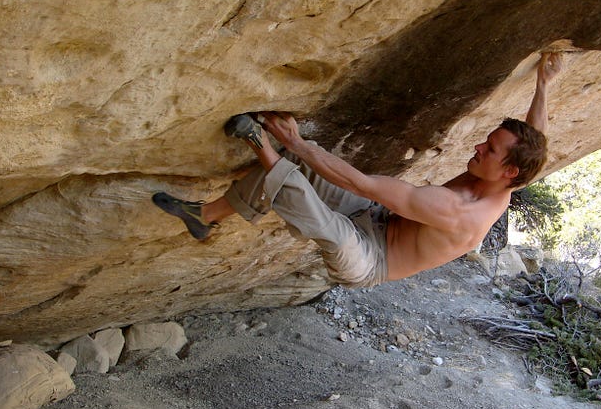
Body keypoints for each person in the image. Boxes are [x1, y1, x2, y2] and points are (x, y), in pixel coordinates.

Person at [153, 52, 561, 288]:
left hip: (368, 259)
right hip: (375, 219)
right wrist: (544, 84)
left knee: (318, 210)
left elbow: (358, 182)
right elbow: (533, 139)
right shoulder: (513, 171)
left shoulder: (455, 209)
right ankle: (203, 217)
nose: (477, 147)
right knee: (299, 166)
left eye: (488, 149)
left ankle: (257, 142)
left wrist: (296, 142)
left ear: (509, 173)